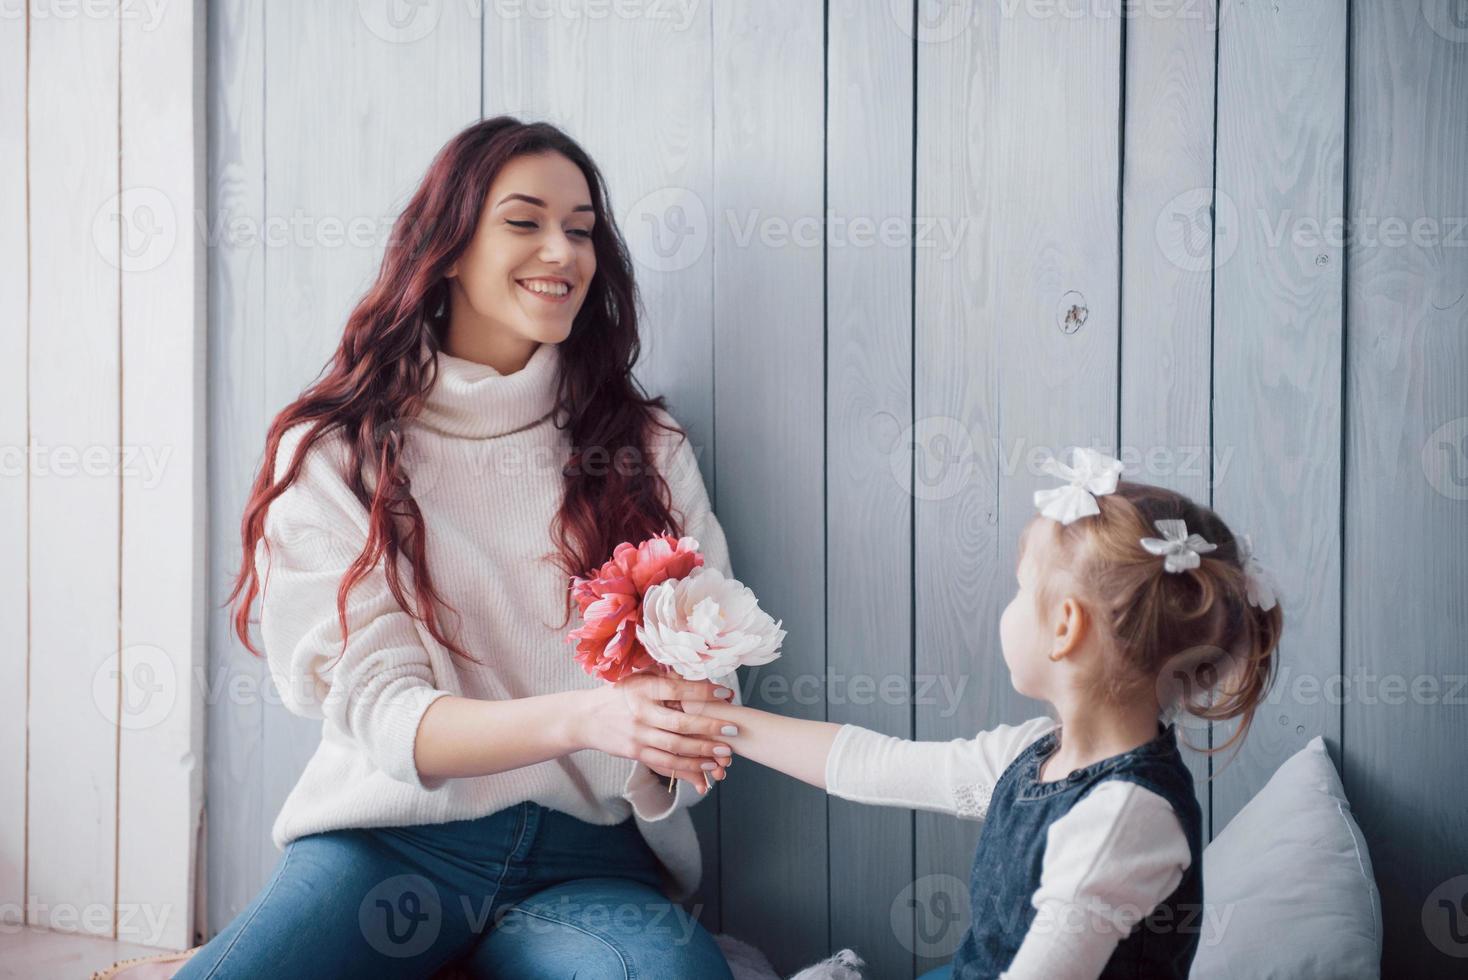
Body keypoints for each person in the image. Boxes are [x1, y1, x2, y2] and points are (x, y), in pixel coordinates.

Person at [172, 117, 739, 979]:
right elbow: (389, 715)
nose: (563, 251)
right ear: (445, 248)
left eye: (582, 229)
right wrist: (589, 717)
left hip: (589, 860)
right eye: (525, 221)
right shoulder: (336, 452)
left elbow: (716, 672)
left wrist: (684, 714)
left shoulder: (644, 445)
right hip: (392, 849)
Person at [684, 449, 1283, 979]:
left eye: (1021, 590)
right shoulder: (1037, 751)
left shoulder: (1126, 816)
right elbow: (873, 764)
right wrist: (718, 723)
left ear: (1066, 627)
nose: (1011, 606)